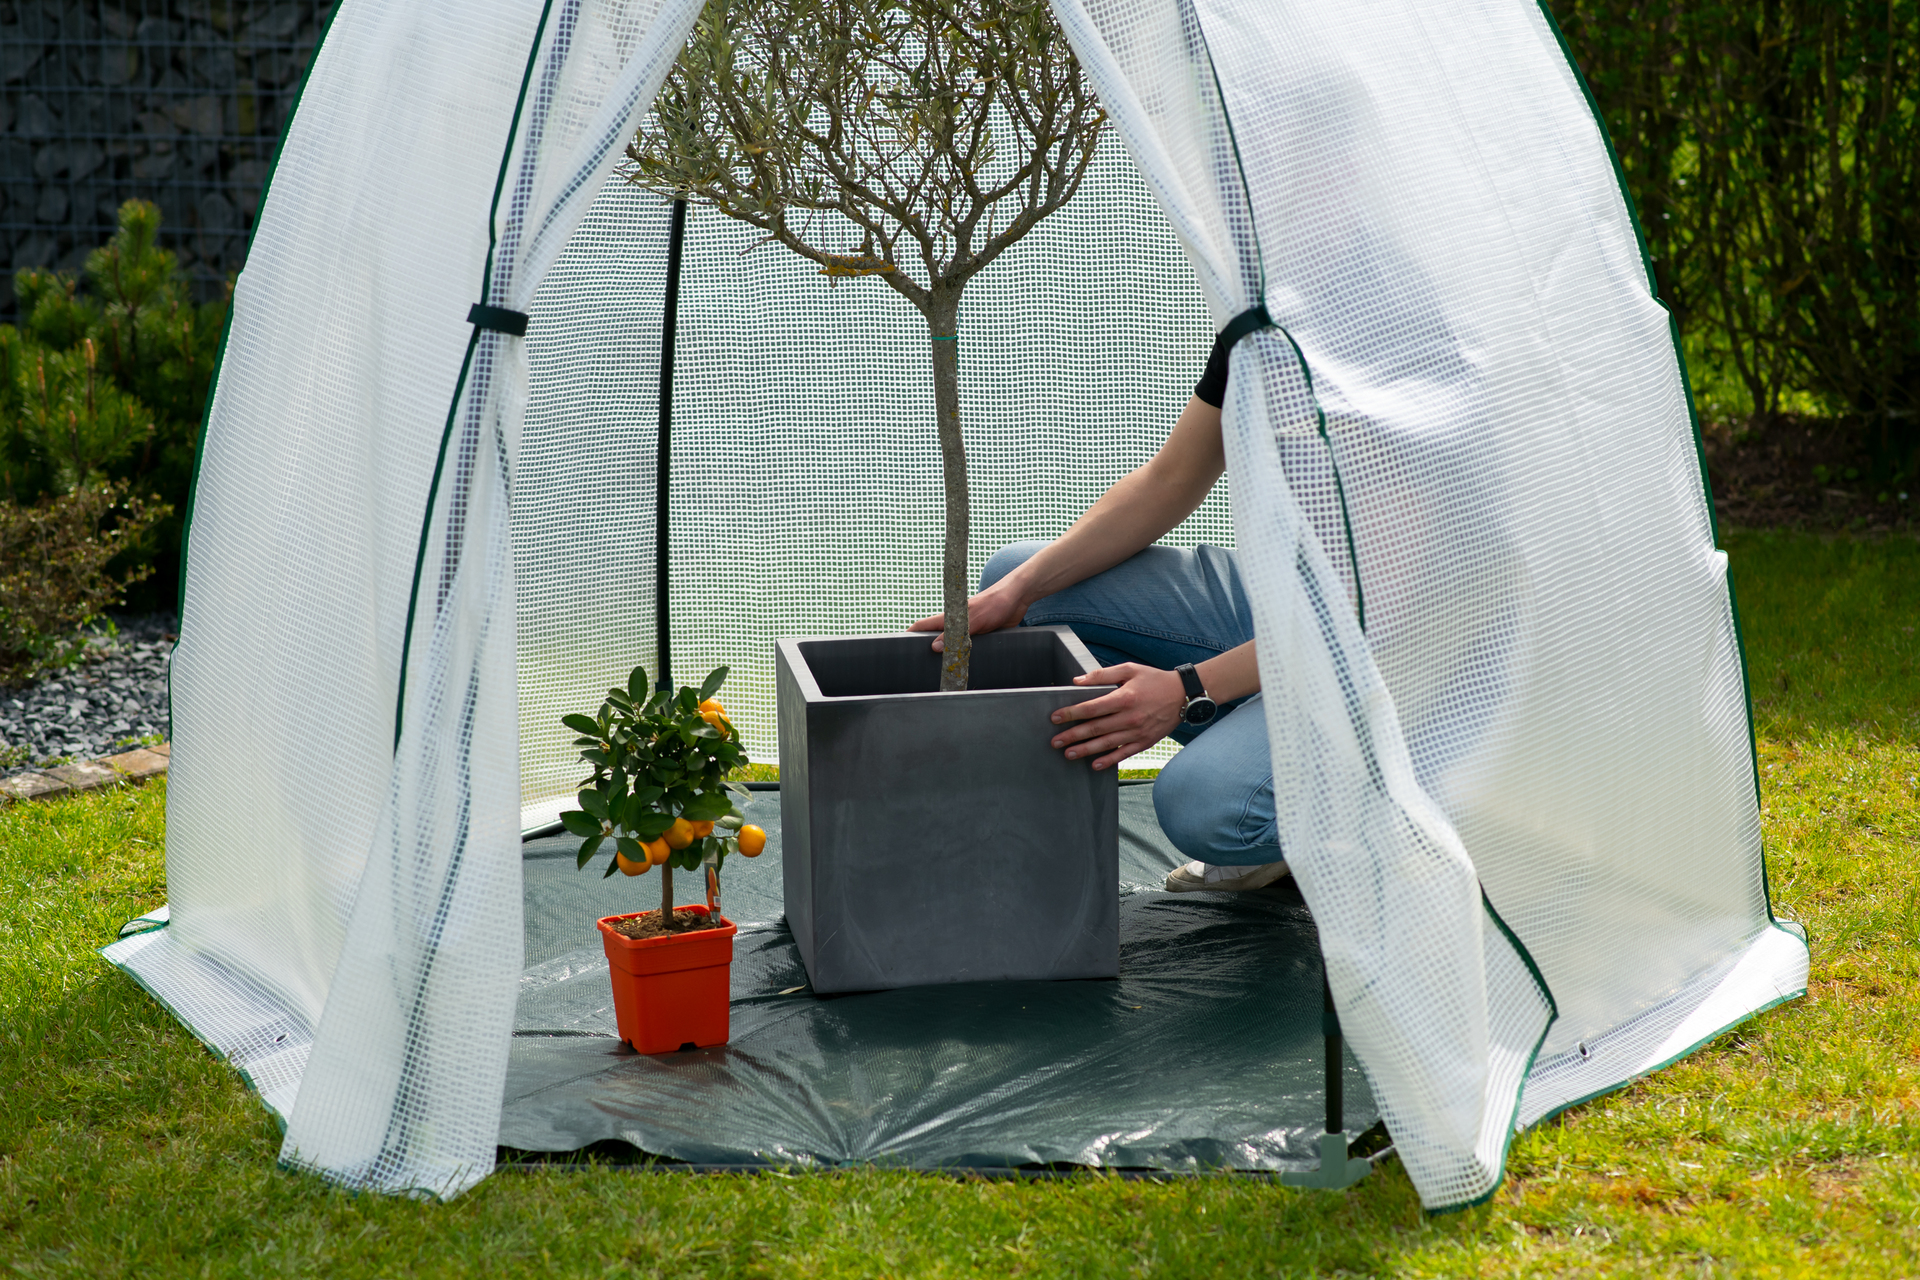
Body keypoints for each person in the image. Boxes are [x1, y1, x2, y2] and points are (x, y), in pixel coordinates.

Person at [909, 333, 1291, 893]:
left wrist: (1188, 688)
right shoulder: (1258, 319)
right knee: (1030, 595)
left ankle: (1292, 812)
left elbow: (1372, 618)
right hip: (1289, 598)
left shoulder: (1408, 353)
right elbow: (1171, 478)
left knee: (1205, 806)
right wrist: (1017, 590)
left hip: (1411, 655)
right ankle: (1270, 765)